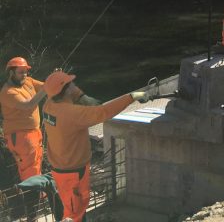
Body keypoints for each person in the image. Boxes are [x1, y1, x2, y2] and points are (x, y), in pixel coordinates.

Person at [41, 70, 148, 222]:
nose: (75, 85)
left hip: (61, 168)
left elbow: (65, 93)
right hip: (73, 172)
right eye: (72, 84)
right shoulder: (72, 113)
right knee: (74, 214)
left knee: (74, 206)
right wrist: (131, 97)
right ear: (66, 89)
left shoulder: (48, 105)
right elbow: (103, 112)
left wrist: (74, 92)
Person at [0, 57, 47, 182]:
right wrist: (48, 88)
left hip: (34, 133)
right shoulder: (7, 92)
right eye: (21, 72)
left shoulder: (28, 81)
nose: (24, 75)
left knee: (36, 167)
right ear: (11, 73)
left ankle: (40, 195)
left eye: (26, 72)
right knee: (29, 170)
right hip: (21, 137)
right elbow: (28, 105)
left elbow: (47, 87)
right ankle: (34, 198)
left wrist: (54, 79)